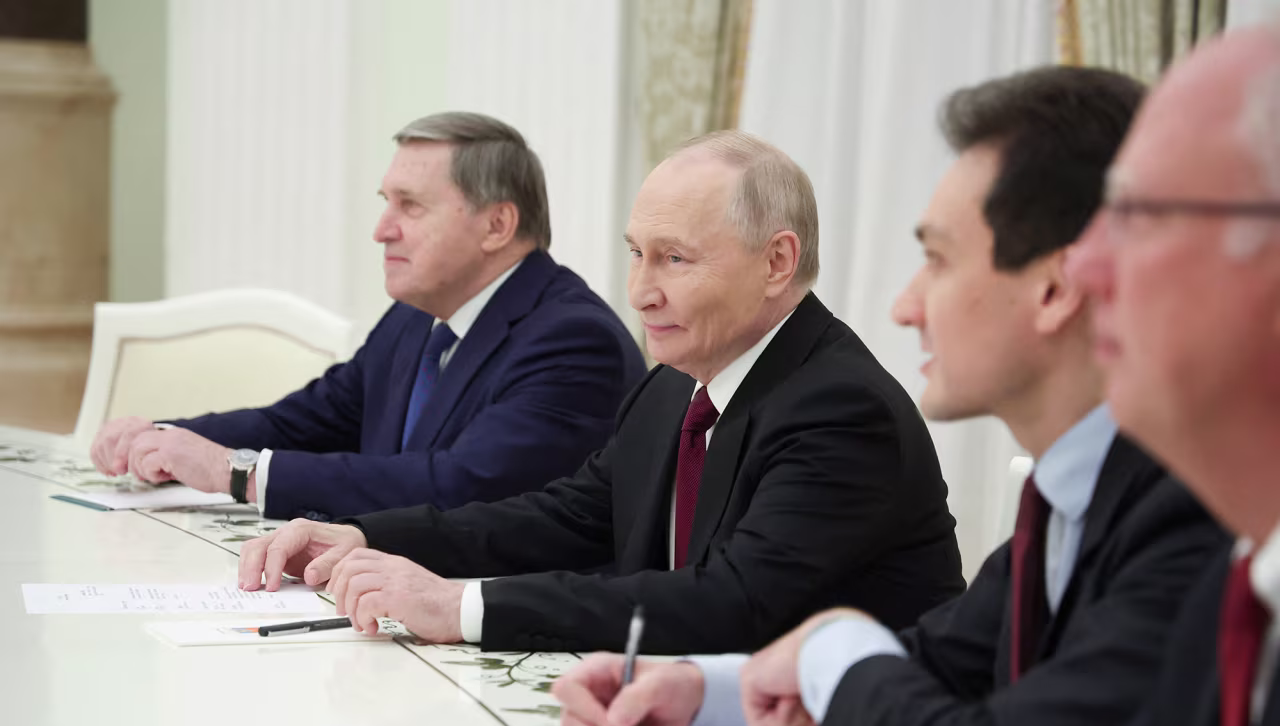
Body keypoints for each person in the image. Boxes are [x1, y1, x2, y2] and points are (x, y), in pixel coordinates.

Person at [553, 65, 1230, 726]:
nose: (906, 307)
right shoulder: (1076, 495)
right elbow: (942, 661)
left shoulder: (1196, 514)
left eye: (938, 260)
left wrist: (828, 642)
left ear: (1055, 289)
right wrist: (704, 690)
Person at [236, 130, 966, 653]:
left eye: (674, 259)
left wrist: (458, 607)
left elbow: (730, 603)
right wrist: (367, 536)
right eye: (636, 255)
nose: (641, 292)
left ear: (777, 261)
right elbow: (567, 516)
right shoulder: (674, 385)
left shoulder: (840, 409)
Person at [861, 24, 1280, 726]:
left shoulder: (1197, 529)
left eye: (1144, 220)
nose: (1086, 269)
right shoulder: (1240, 577)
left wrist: (830, 652)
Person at [89, 112, 645, 521]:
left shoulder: (573, 341)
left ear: (497, 226)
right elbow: (310, 420)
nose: (381, 230)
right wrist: (167, 439)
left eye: (411, 205)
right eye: (386, 202)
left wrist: (237, 473)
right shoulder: (416, 316)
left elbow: (462, 486)